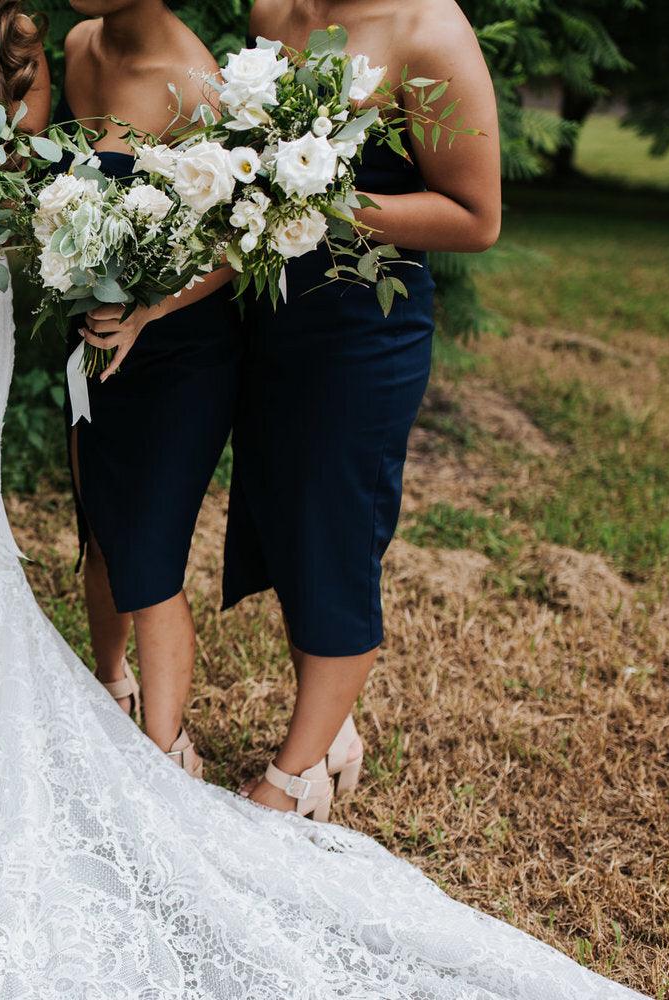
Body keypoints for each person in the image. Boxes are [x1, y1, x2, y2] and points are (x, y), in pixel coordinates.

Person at [0, 5, 641, 998]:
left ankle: (273, 748)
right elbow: (44, 193)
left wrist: (167, 263)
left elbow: (129, 208)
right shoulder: (39, 39)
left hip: (58, 317)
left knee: (190, 527)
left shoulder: (99, 50)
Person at [223, 0, 503, 820]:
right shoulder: (271, 7)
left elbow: (476, 219)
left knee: (336, 532)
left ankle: (295, 774)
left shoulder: (428, 31)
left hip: (365, 331)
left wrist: (323, 204)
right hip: (273, 317)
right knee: (285, 519)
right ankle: (334, 726)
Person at [59, 0, 243, 775]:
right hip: (93, 337)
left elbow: (242, 242)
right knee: (99, 524)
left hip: (181, 351)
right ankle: (111, 682)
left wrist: (146, 311)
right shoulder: (76, 47)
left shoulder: (197, 87)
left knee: (152, 551)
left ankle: (167, 755)